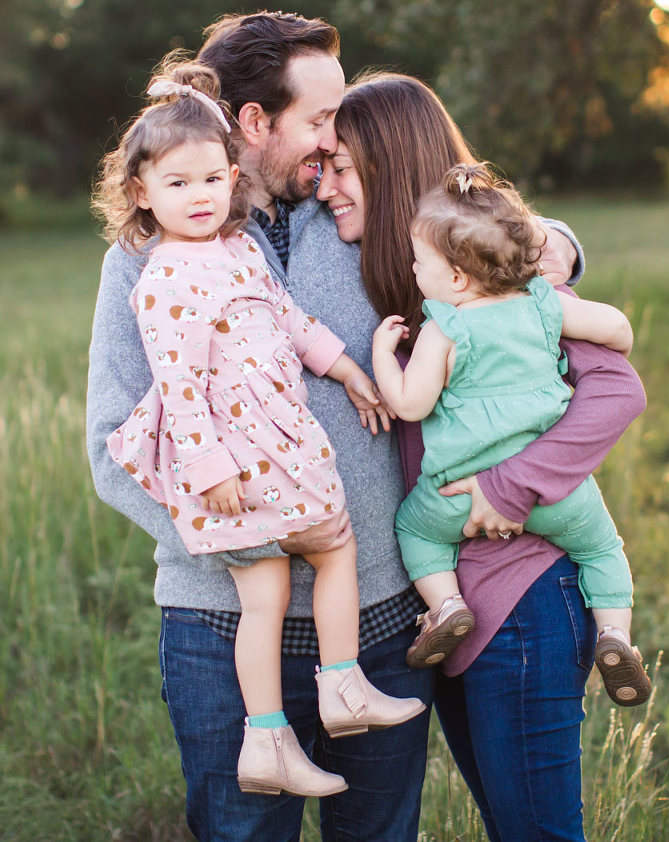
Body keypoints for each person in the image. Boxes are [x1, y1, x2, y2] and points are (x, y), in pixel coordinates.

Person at [86, 14, 623, 842]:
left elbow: (472, 210)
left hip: (376, 623)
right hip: (220, 624)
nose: (338, 136)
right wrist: (250, 541)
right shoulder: (145, 260)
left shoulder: (360, 214)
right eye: (322, 118)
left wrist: (555, 241)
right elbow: (111, 443)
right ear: (257, 125)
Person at [315, 72, 649, 841]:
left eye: (343, 167)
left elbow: (617, 389)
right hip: (456, 608)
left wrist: (510, 485)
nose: (325, 185)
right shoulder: (413, 270)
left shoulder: (504, 277)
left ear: (392, 167)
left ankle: (614, 631)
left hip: (522, 597)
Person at [95, 62, 425, 798]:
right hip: (234, 523)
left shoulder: (282, 230)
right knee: (287, 577)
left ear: (230, 172)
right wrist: (211, 489)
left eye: (211, 180)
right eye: (318, 120)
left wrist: (346, 368)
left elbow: (291, 318)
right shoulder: (155, 274)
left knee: (296, 574)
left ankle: (323, 700)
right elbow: (174, 393)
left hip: (363, 583)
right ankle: (280, 729)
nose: (332, 139)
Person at [368, 162, 651, 707]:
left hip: (455, 496)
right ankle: (615, 635)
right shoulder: (543, 306)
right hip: (554, 490)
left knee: (415, 532)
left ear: (454, 278)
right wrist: (606, 324)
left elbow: (408, 404)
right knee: (601, 549)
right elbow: (617, 330)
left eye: (418, 260)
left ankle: (447, 606)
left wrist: (383, 354)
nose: (412, 267)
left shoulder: (443, 327)